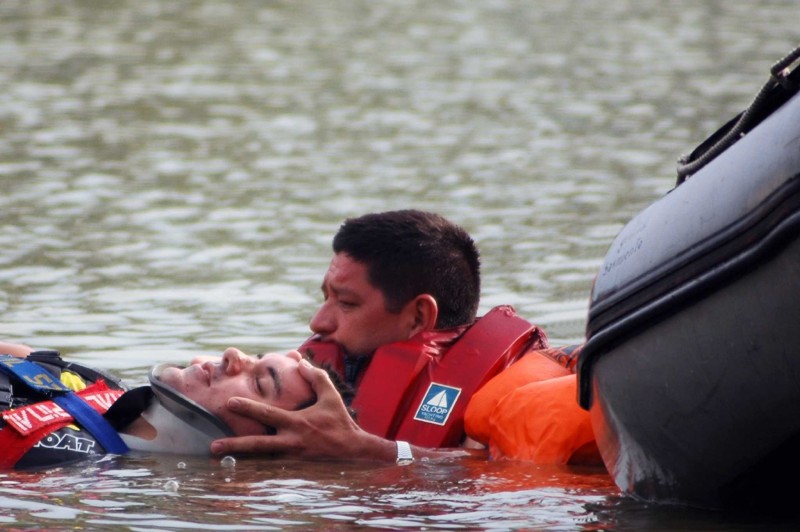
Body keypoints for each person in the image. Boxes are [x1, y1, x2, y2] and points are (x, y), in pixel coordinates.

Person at [208, 210, 563, 464]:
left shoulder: (511, 398)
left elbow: (510, 477)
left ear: (418, 317)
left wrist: (369, 452)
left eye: (346, 303)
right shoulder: (336, 366)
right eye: (325, 296)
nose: (318, 322)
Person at [0, 340, 323, 469]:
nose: (233, 354)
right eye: (256, 358)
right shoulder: (99, 383)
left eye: (259, 382)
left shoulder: (75, 473)